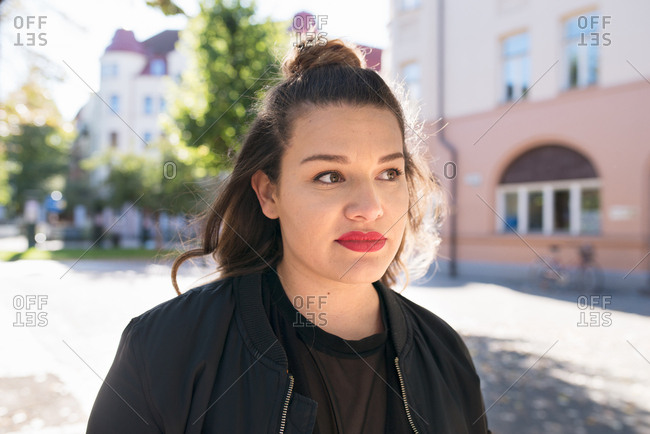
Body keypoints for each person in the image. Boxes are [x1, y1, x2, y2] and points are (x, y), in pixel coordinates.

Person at [87, 39, 491, 434]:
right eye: (329, 176)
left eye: (389, 173)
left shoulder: (445, 353)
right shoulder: (165, 349)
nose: (370, 208)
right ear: (268, 193)